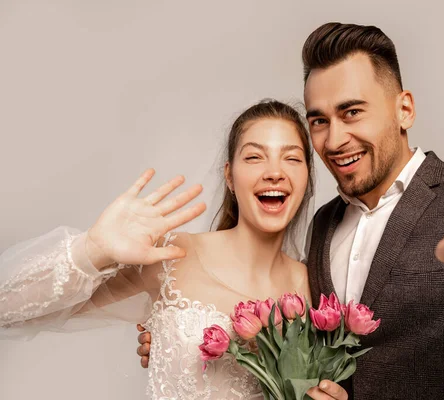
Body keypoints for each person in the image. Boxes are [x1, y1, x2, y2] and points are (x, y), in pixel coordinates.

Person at [132, 22, 444, 399]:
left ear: (404, 109)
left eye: (352, 112)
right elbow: (295, 348)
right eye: (319, 120)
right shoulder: (323, 224)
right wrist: (186, 341)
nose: (334, 141)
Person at [0, 100, 348, 400]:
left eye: (291, 159)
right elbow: (8, 307)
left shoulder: (314, 287)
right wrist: (93, 249)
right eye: (255, 156)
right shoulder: (172, 258)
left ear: (306, 178)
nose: (274, 172)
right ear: (229, 176)